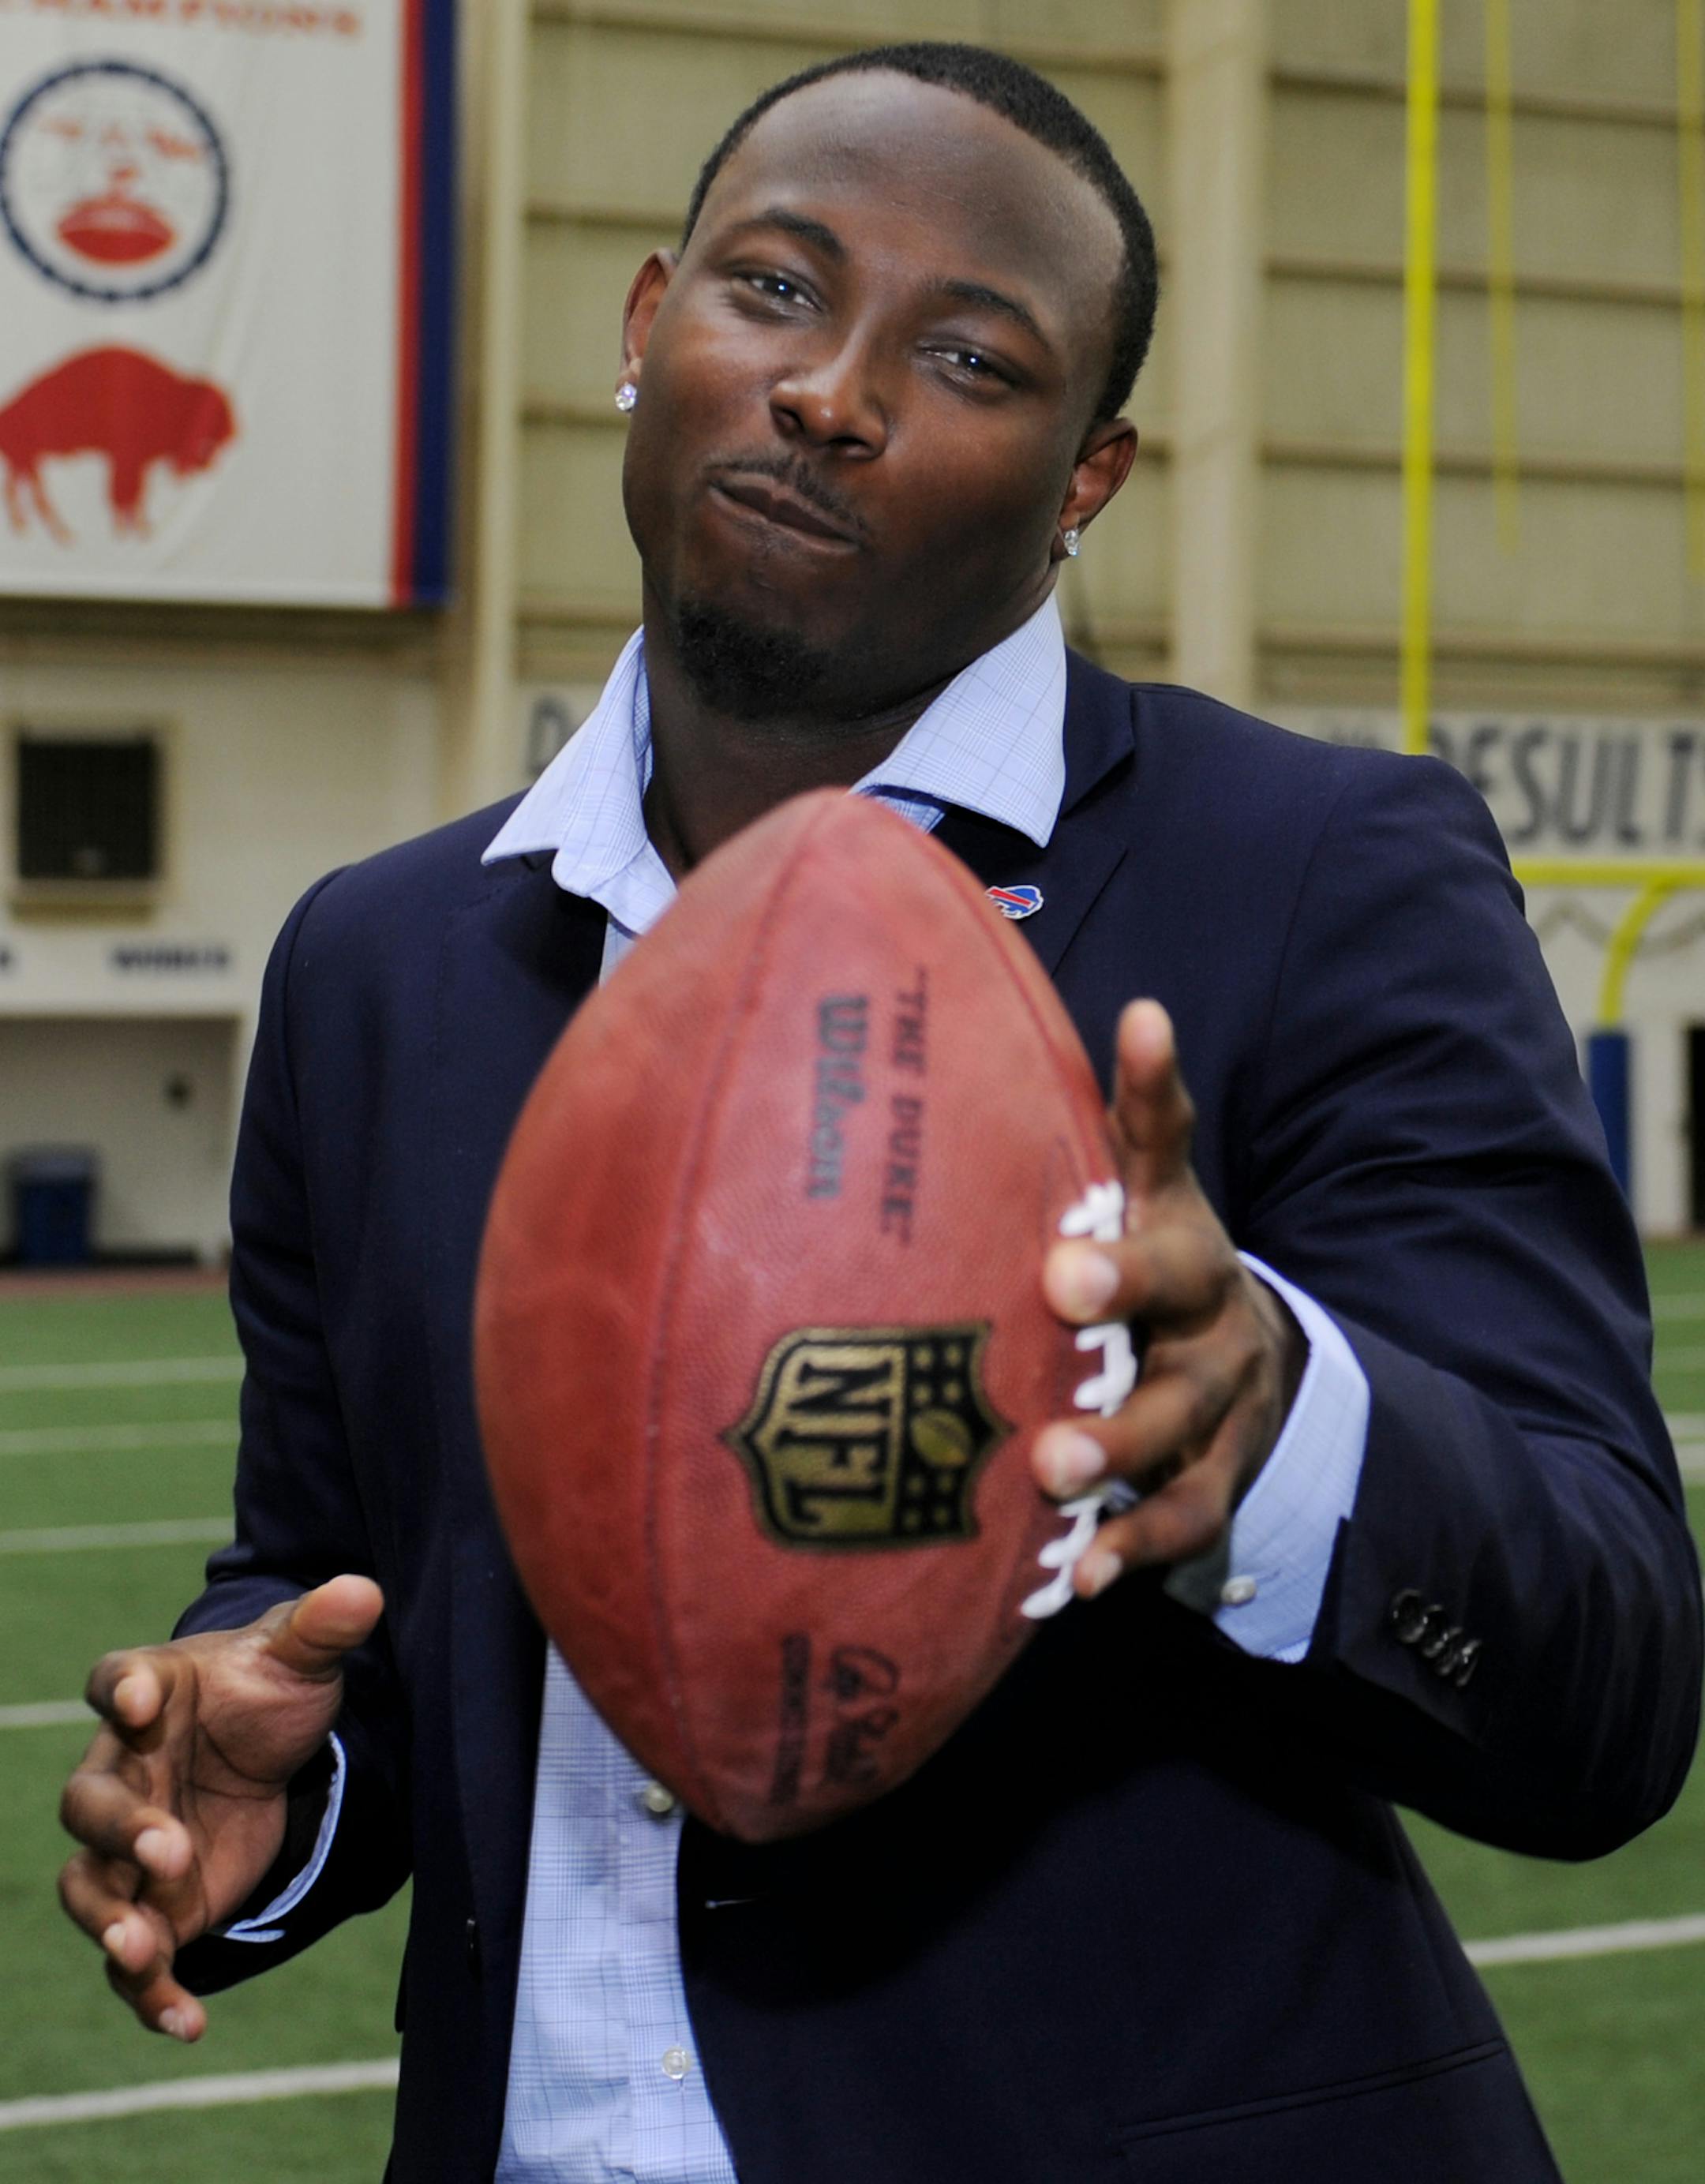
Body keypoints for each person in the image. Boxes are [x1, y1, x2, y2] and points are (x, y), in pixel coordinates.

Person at [57, 42, 1701, 2184]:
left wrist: (1275, 1423)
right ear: (645, 330)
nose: (834, 389)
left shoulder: (1317, 876)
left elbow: (1609, 1685)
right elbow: (346, 1584)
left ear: (1087, 478)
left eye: (970, 356)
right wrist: (273, 1793)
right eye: (773, 291)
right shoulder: (382, 964)